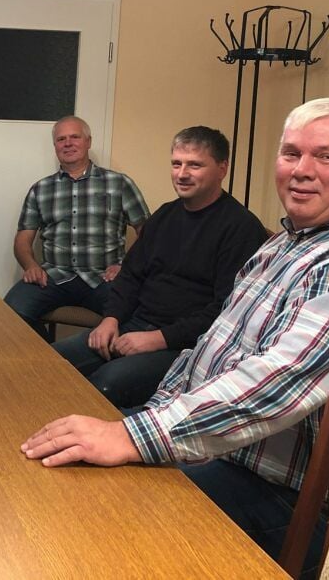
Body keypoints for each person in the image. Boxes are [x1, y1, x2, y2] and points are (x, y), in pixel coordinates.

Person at [22, 98, 329, 574]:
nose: (301, 170)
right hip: (220, 448)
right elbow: (212, 346)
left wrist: (134, 435)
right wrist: (145, 417)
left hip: (285, 496)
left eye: (326, 156)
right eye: (291, 153)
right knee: (50, 461)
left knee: (88, 527)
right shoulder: (286, 242)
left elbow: (274, 383)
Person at [51, 126, 268, 406]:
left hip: (185, 345)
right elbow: (130, 275)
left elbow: (227, 311)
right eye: (176, 164)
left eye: (195, 165)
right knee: (46, 362)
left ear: (222, 168)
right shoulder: (165, 215)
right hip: (134, 325)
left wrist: (158, 339)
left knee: (105, 385)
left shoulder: (241, 228)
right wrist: (111, 318)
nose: (182, 174)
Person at [4, 116, 149, 339]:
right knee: (10, 313)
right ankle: (49, 357)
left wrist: (126, 266)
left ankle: (89, 359)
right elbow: (22, 240)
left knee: (137, 318)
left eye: (75, 137)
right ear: (55, 146)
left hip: (104, 278)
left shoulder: (119, 183)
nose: (68, 143)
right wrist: (30, 265)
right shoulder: (40, 189)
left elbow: (148, 233)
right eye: (61, 139)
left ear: (88, 141)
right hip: (53, 276)